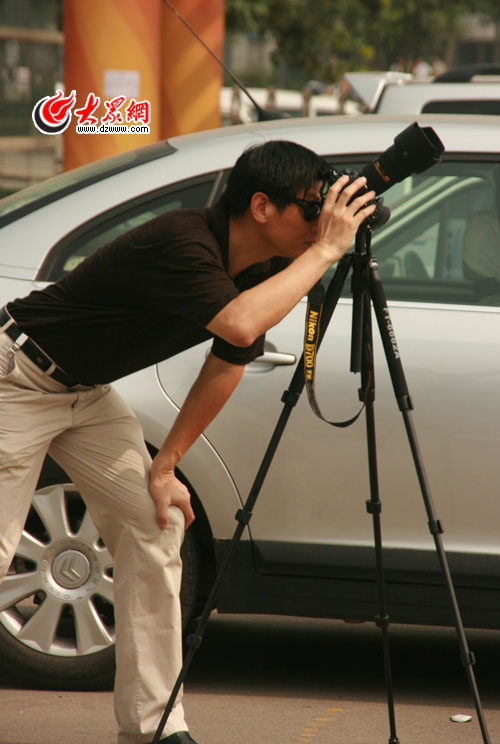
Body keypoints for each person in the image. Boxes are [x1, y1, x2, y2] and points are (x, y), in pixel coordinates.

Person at [0, 140, 376, 744]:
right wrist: (327, 249)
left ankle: (155, 727)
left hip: (84, 394)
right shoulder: (183, 243)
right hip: (18, 378)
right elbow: (240, 324)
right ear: (261, 206)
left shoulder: (263, 268)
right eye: (312, 208)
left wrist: (166, 465)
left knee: (157, 524)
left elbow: (228, 361)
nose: (321, 222)